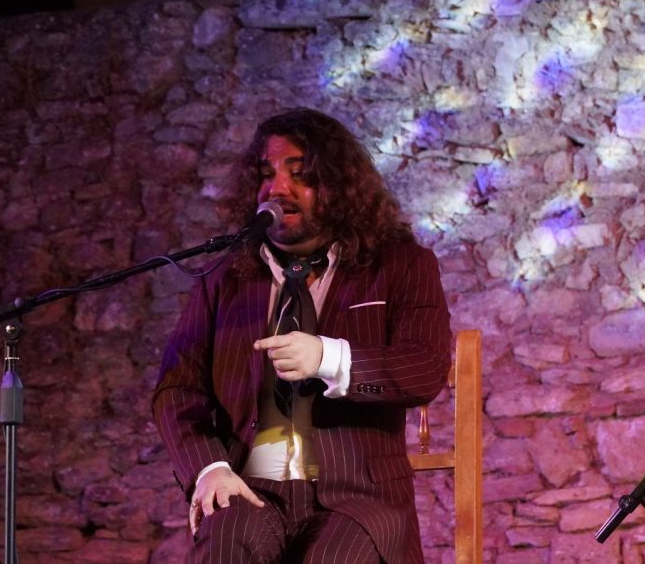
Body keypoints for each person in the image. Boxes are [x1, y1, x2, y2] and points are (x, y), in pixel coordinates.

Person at [152, 108, 452, 564]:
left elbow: (424, 368)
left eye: (301, 174)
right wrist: (208, 469)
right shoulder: (225, 280)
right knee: (224, 537)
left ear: (339, 188)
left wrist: (328, 358)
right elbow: (178, 389)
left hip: (359, 499)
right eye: (266, 174)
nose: (278, 188)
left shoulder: (401, 265)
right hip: (254, 489)